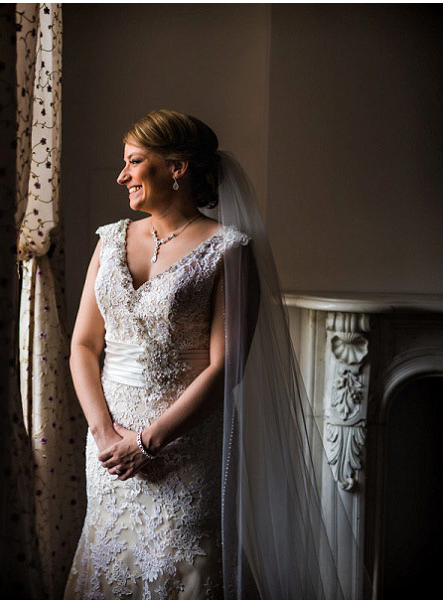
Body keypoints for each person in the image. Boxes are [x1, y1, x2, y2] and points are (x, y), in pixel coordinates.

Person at [64, 110, 360, 598]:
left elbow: (227, 367)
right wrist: (103, 432)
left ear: (177, 168)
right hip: (107, 447)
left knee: (183, 569)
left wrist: (147, 442)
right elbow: (82, 345)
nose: (122, 176)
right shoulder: (110, 240)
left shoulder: (228, 250)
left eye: (135, 162)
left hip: (183, 449)